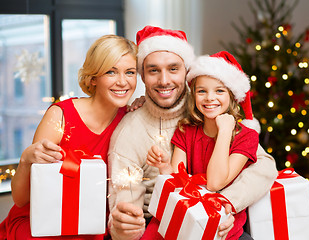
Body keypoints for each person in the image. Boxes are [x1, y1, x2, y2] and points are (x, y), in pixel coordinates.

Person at [108, 26, 278, 240]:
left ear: (186, 72)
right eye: (153, 70)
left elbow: (264, 166)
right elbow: (128, 208)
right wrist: (124, 227)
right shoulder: (130, 131)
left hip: (222, 218)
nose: (164, 81)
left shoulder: (208, 109)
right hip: (163, 220)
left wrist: (224, 205)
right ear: (143, 75)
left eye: (173, 69)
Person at [0, 34, 138, 240]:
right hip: (41, 226)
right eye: (111, 71)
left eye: (130, 72)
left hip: (91, 227)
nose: (122, 81)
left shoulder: (131, 119)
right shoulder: (61, 116)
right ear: (93, 78)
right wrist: (25, 160)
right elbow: (20, 200)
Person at [147, 51, 261, 239]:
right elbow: (177, 185)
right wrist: (164, 166)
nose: (209, 98)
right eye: (202, 91)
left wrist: (224, 131)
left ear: (232, 95)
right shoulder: (186, 130)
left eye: (219, 91)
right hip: (188, 218)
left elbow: (215, 182)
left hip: (223, 225)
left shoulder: (247, 137)